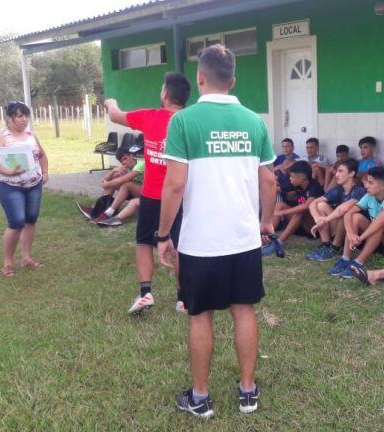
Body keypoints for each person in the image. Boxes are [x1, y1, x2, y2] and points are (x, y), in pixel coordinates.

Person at [157, 44, 276, 418]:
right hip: (243, 239)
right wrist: (267, 222)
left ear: (200, 77)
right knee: (244, 310)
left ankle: (201, 398)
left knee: (201, 315)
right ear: (234, 81)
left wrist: (162, 235)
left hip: (201, 242)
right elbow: (269, 181)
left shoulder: (183, 121)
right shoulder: (255, 121)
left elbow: (175, 185)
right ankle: (247, 392)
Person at [104, 71, 191, 314]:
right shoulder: (191, 121)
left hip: (153, 195)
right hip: (183, 196)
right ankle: (183, 299)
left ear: (164, 94)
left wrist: (110, 102)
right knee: (181, 247)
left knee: (144, 242)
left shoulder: (149, 117)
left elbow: (114, 115)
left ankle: (145, 293)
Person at [0, 102, 49, 277]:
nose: (24, 119)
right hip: (10, 187)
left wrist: (45, 172)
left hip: (34, 185)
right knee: (16, 222)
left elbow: (42, 155)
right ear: (10, 118)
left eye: (26, 115)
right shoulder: (1, 136)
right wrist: (8, 171)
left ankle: (26, 258)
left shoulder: (31, 135)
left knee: (31, 220)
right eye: (20, 116)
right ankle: (8, 263)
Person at [328, 167, 384, 278]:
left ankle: (358, 262)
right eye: (367, 182)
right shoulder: (370, 195)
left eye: (370, 182)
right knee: (356, 217)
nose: (366, 185)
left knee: (380, 224)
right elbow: (348, 214)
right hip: (374, 239)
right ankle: (345, 258)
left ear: (382, 186)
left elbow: (381, 220)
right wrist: (351, 234)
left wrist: (361, 238)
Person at [307, 158, 366, 261]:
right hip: (341, 228)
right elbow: (313, 203)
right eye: (337, 171)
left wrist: (324, 220)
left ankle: (335, 247)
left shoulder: (359, 190)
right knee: (321, 205)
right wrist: (317, 218)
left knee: (345, 212)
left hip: (356, 234)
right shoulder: (339, 189)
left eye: (341, 171)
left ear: (351, 173)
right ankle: (326, 245)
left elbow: (343, 209)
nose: (336, 175)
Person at [263, 161, 324, 255]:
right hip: (300, 225)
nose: (290, 179)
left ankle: (278, 243)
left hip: (313, 228)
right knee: (280, 205)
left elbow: (307, 206)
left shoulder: (314, 187)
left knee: (301, 211)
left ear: (302, 178)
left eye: (292, 176)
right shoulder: (295, 184)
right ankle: (268, 236)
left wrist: (284, 212)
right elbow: (277, 190)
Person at [78, 149, 144, 226]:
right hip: (134, 192)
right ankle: (98, 209)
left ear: (132, 156)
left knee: (126, 184)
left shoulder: (141, 164)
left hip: (146, 193)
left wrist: (107, 184)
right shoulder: (125, 167)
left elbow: (124, 179)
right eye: (121, 161)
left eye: (125, 158)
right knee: (113, 183)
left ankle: (109, 213)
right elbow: (106, 179)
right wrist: (114, 171)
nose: (123, 163)